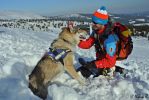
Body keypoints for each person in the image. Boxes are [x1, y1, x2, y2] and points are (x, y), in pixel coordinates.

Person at [77, 6, 133, 78]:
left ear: (102, 23)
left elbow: (110, 61)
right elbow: (88, 43)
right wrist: (76, 41)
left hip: (109, 60)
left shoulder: (110, 40)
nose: (92, 24)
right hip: (102, 57)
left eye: (95, 23)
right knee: (88, 68)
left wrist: (94, 64)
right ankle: (107, 68)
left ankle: (113, 69)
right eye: (93, 22)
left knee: (84, 72)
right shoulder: (96, 32)